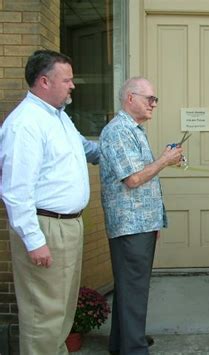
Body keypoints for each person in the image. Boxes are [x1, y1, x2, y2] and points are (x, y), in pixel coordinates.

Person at [0, 49, 99, 354]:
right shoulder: (25, 124)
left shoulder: (58, 118)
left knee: (61, 310)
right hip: (46, 227)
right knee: (43, 314)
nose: (72, 85)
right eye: (67, 80)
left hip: (67, 226)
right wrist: (34, 240)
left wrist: (125, 145)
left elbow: (87, 149)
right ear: (44, 81)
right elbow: (16, 191)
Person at [99, 77, 183, 355]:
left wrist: (161, 159)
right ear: (130, 98)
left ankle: (122, 342)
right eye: (150, 99)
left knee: (129, 287)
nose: (154, 104)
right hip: (130, 225)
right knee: (134, 288)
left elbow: (138, 174)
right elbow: (133, 179)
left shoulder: (133, 130)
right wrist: (164, 161)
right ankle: (133, 349)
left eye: (155, 99)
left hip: (140, 222)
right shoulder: (119, 131)